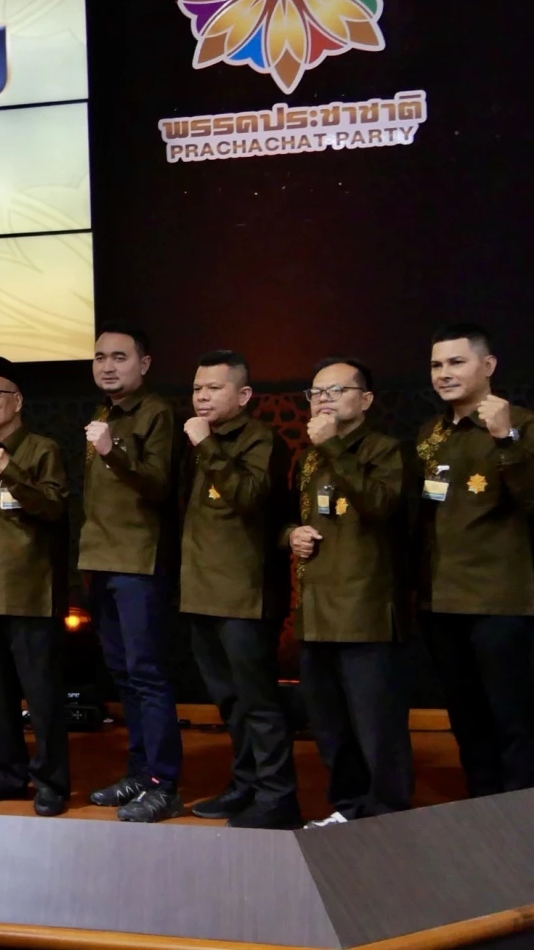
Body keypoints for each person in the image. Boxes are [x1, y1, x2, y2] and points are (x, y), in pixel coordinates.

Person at [286, 357, 412, 827]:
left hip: (365, 611)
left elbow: (380, 505)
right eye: (316, 392)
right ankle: (349, 809)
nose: (323, 400)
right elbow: (285, 515)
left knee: (376, 725)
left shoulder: (385, 449)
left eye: (336, 391)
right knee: (330, 725)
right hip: (316, 609)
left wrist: (334, 447)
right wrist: (291, 535)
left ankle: (389, 817)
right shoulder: (310, 455)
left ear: (366, 399)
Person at [178, 352, 301, 828]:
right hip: (201, 591)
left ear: (244, 395)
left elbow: (249, 497)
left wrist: (206, 445)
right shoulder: (197, 438)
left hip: (246, 596)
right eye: (197, 388)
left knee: (258, 701)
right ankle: (246, 784)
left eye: (214, 388)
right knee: (229, 700)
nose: (202, 397)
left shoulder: (261, 440)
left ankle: (278, 796)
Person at [418, 324, 534, 796]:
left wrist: (506, 438)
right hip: (440, 599)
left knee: (514, 720)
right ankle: (481, 812)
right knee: (466, 720)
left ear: (488, 366)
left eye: (456, 362)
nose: (444, 373)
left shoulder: (523, 424)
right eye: (436, 365)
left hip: (499, 601)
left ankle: (520, 821)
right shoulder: (431, 433)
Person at [81, 321, 184, 823]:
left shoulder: (157, 412)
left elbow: (159, 484)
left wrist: (111, 451)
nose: (107, 366)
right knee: (123, 675)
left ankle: (164, 783)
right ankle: (141, 773)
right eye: (100, 357)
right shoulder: (104, 414)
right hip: (101, 560)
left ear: (144, 364)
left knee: (148, 675)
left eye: (119, 357)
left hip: (140, 562)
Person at [0, 356, 70, 817]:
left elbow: (53, 508)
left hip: (30, 594)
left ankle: (52, 782)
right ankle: (7, 774)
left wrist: (10, 469)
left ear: (18, 401)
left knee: (42, 698)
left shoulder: (42, 449)